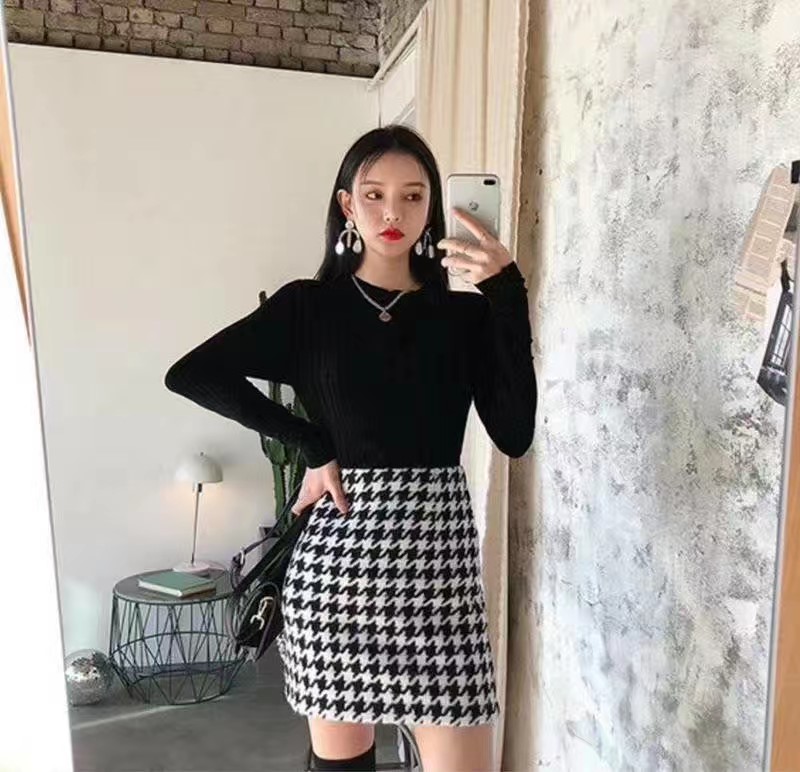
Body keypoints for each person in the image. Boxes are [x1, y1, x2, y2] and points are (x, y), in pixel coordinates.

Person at [164, 124, 537, 772]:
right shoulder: (307, 308)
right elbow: (192, 373)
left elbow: (514, 432)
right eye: (374, 194)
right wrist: (312, 444)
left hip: (439, 574)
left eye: (413, 196)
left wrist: (506, 292)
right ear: (347, 205)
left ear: (433, 207)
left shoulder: (465, 316)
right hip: (338, 576)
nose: (393, 213)